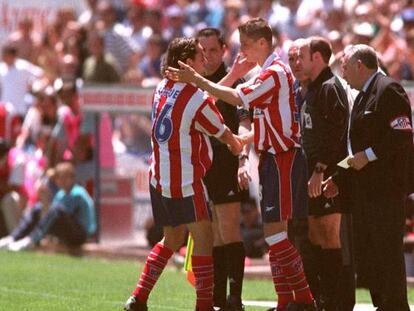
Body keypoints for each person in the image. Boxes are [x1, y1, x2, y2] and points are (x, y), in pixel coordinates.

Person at [168, 18, 317, 311]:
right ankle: (287, 299)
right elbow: (257, 119)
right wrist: (245, 140)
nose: (242, 49)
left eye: (246, 44)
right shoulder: (265, 73)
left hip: (282, 158)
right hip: (271, 158)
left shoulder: (273, 73)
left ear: (262, 43)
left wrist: (197, 81)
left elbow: (237, 97)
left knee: (275, 234)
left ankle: (305, 299)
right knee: (273, 235)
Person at [123, 37, 244, 311]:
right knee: (204, 238)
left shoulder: (161, 87)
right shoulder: (197, 98)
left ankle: (138, 297)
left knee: (172, 238)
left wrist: (233, 74)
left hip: (160, 179)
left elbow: (194, 105)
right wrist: (238, 143)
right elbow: (221, 130)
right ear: (188, 63)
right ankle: (203, 305)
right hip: (186, 181)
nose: (206, 61)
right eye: (201, 56)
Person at [329, 44, 413, 311]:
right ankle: (383, 304)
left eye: (344, 66)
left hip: (386, 189)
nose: (342, 72)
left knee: (387, 250)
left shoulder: (388, 89)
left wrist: (371, 154)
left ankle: (396, 306)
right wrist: (337, 176)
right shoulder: (362, 96)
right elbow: (355, 152)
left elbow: (402, 134)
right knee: (370, 254)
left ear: (359, 65)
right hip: (363, 190)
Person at [296, 37, 355, 310]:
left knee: (330, 235)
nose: (299, 61)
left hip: (328, 173)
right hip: (311, 172)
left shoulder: (331, 87)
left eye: (303, 56)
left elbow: (337, 134)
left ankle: (337, 301)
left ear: (317, 57)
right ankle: (322, 297)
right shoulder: (311, 88)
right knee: (315, 234)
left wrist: (321, 169)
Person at [196, 27, 249, 311]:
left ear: (224, 50)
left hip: (226, 162)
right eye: (202, 50)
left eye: (213, 50)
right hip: (201, 167)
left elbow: (245, 121)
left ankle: (234, 297)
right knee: (212, 232)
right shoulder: (195, 80)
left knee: (228, 229)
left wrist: (242, 158)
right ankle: (216, 296)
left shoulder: (235, 81)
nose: (207, 56)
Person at [0, 162, 96, 251]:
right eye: (59, 178)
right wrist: (43, 201)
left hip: (81, 235)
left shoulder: (78, 194)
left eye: (65, 177)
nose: (61, 181)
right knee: (38, 208)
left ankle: (32, 240)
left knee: (55, 209)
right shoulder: (61, 194)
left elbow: (58, 214)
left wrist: (45, 200)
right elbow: (49, 215)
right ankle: (14, 237)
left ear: (72, 178)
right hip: (68, 232)